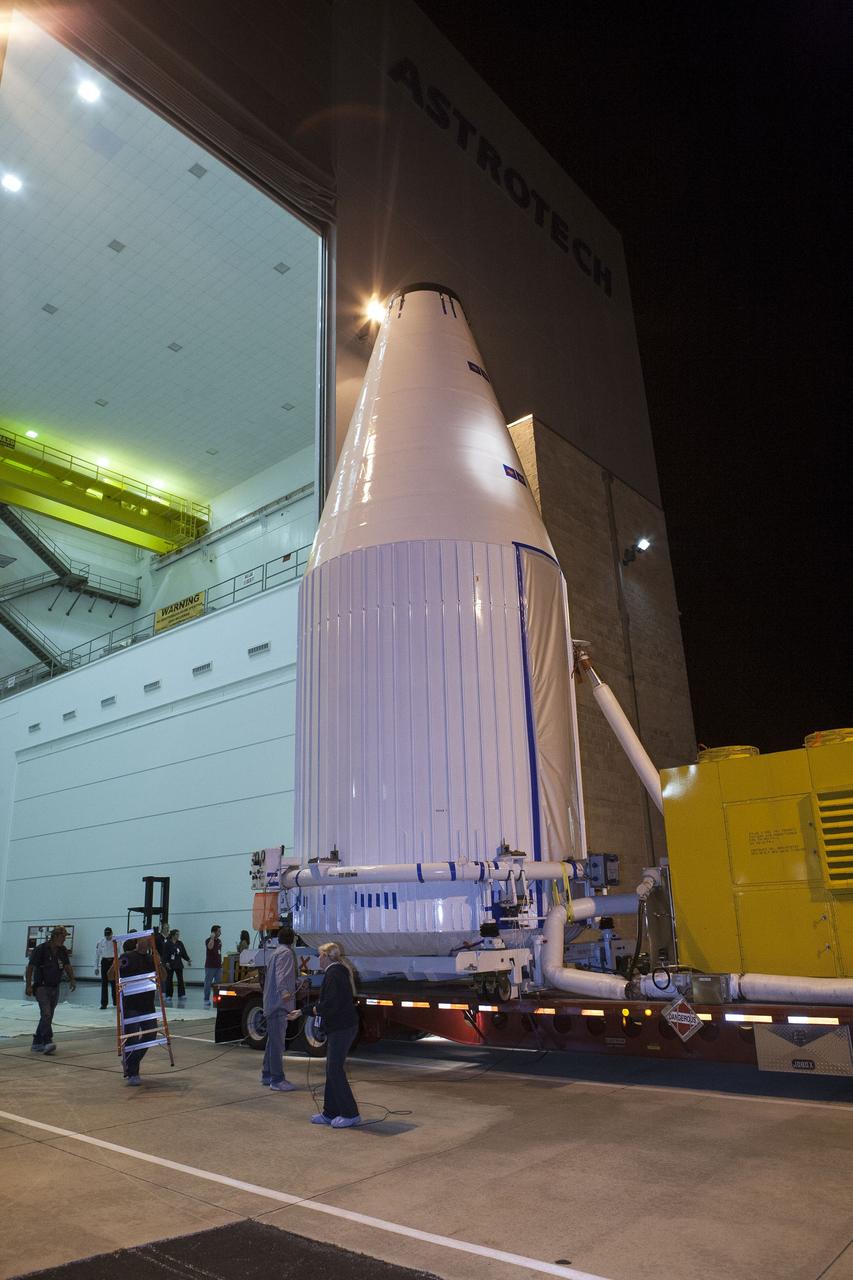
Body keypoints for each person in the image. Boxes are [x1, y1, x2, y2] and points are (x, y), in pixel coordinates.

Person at [311, 941, 361, 1128]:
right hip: (341, 1027)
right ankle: (329, 1112)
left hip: (342, 1028)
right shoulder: (338, 972)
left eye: (320, 955)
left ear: (326, 956)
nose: (318, 959)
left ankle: (350, 1113)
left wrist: (311, 1010)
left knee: (334, 1069)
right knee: (332, 1069)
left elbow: (330, 1004)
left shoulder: (334, 974)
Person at [112, 936, 164, 1085]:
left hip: (147, 1004)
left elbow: (163, 977)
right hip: (131, 1005)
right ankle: (133, 1073)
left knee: (151, 1034)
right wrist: (115, 965)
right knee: (132, 1039)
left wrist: (159, 963)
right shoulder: (127, 956)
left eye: (148, 940)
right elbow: (112, 975)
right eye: (143, 939)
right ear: (137, 942)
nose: (146, 942)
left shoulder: (150, 959)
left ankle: (129, 1062)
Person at [261, 925, 300, 1091]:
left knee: (272, 1041)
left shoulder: (275, 952)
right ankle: (277, 1080)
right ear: (292, 939)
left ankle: (267, 1074)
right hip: (279, 1005)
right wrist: (285, 992)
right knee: (277, 1044)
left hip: (271, 1003)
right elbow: (281, 975)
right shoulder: (286, 953)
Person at [25, 927, 76, 1055]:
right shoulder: (41, 950)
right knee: (46, 1014)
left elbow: (67, 965)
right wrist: (28, 985)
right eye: (63, 936)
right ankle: (47, 1041)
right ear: (56, 936)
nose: (65, 938)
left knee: (47, 1015)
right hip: (42, 986)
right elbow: (30, 967)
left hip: (55, 986)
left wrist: (72, 979)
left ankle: (37, 1042)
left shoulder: (62, 951)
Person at [162, 929, 191, 1006]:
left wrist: (188, 959)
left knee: (180, 979)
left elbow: (183, 953)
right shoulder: (167, 944)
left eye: (178, 934)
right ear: (173, 935)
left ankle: (181, 994)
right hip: (170, 964)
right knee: (169, 980)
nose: (178, 936)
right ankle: (169, 995)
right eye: (177, 934)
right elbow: (164, 954)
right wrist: (166, 962)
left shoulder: (180, 943)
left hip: (178, 963)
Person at [94, 927, 116, 1009]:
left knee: (114, 983)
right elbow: (97, 955)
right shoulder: (100, 942)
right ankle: (104, 1003)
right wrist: (96, 967)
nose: (108, 937)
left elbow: (120, 952)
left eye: (109, 935)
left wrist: (118, 964)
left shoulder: (116, 941)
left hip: (113, 962)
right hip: (104, 962)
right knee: (104, 983)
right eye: (106, 935)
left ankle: (116, 1002)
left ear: (112, 933)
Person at [203, 924, 222, 1007]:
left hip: (218, 966)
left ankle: (216, 1000)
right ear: (214, 932)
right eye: (219, 931)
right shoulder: (208, 940)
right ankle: (206, 999)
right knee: (208, 983)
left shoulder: (219, 941)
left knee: (218, 984)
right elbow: (210, 947)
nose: (220, 933)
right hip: (210, 966)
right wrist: (212, 938)